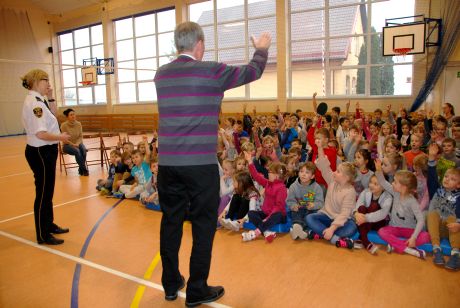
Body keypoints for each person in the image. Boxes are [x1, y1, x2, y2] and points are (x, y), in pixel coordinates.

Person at [154, 21, 271, 306]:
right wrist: (261, 50)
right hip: (199, 166)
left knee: (170, 222)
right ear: (200, 45)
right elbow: (252, 72)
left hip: (168, 165)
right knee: (203, 225)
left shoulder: (161, 74)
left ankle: (171, 284)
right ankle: (196, 290)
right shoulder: (211, 71)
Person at [21, 69, 70, 245]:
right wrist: (61, 138)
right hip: (41, 152)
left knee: (48, 191)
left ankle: (48, 224)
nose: (49, 84)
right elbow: (41, 134)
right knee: (42, 194)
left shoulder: (41, 100)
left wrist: (50, 96)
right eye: (45, 80)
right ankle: (42, 234)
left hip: (47, 151)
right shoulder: (34, 103)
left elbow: (54, 116)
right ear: (35, 81)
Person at [60, 108, 88, 176]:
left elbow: (80, 136)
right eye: (71, 115)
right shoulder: (63, 125)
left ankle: (81, 169)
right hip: (67, 145)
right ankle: (84, 169)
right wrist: (73, 144)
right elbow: (64, 139)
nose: (73, 116)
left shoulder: (78, 124)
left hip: (78, 143)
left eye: (74, 114)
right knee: (77, 151)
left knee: (83, 150)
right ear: (67, 117)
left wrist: (77, 144)